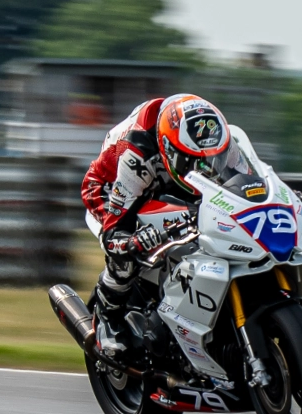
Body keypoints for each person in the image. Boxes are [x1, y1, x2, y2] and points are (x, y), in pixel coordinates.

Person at [79, 93, 232, 357]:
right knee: (126, 249)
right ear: (170, 149)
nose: (207, 167)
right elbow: (114, 232)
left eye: (212, 159)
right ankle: (108, 318)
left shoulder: (220, 140)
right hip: (110, 187)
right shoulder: (135, 156)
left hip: (164, 172)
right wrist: (132, 241)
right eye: (196, 162)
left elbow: (246, 180)